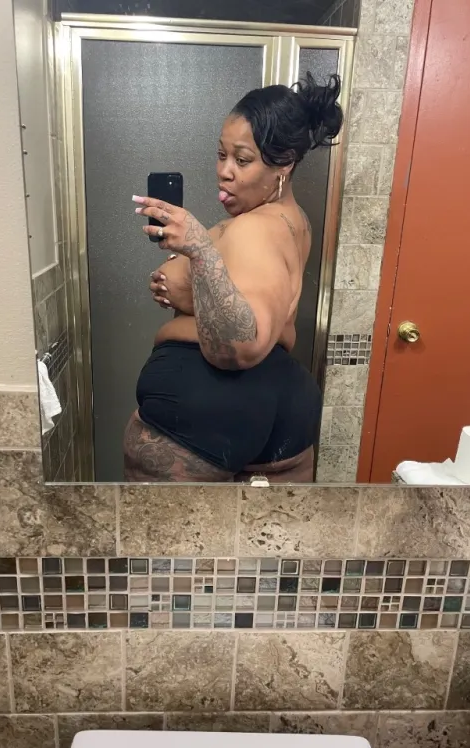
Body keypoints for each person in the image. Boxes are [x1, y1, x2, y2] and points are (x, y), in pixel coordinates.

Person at [123, 73, 343, 482]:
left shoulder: (254, 228)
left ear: (284, 164)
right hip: (275, 413)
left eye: (242, 160)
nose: (224, 172)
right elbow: (262, 309)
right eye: (221, 154)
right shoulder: (292, 222)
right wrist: (192, 287)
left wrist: (200, 251)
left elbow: (241, 347)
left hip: (208, 412)